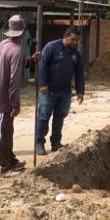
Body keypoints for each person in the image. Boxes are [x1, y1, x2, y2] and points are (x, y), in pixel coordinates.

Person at [0, 14, 36, 176]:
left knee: (7, 130)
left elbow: (16, 63)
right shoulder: (16, 50)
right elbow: (14, 80)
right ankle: (2, 166)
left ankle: (10, 159)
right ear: (22, 33)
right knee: (2, 131)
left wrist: (30, 60)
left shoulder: (3, 44)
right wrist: (15, 104)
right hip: (3, 97)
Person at [35, 27, 85, 155]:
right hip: (48, 91)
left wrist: (80, 91)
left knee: (59, 118)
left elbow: (79, 74)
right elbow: (42, 65)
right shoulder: (51, 47)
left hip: (65, 92)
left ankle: (56, 143)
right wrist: (43, 84)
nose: (75, 43)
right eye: (73, 39)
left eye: (77, 40)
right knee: (43, 117)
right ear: (66, 36)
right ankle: (39, 143)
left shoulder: (76, 54)